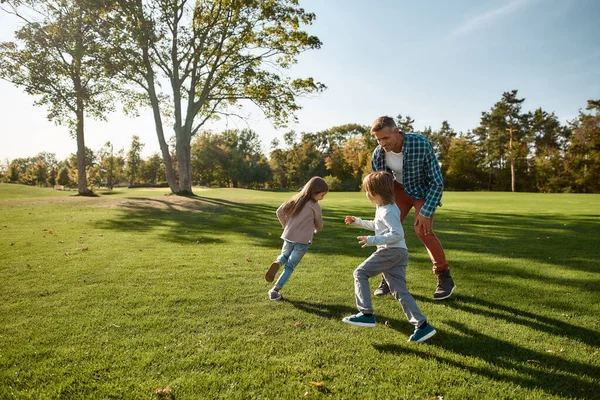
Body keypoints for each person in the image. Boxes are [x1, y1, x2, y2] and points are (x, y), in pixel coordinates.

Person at [342, 171, 436, 343]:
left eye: (367, 191)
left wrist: (373, 240)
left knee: (360, 273)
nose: (366, 194)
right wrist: (357, 221)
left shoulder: (389, 211)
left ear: (375, 193)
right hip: (398, 253)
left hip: (390, 251)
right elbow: (377, 226)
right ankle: (422, 326)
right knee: (399, 291)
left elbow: (397, 234)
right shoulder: (384, 208)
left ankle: (366, 313)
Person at [370, 115, 455, 300]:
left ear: (397, 132)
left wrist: (425, 212)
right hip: (398, 191)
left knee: (422, 230)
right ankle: (387, 277)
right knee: (386, 230)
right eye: (378, 139)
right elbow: (380, 186)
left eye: (385, 138)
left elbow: (437, 182)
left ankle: (444, 275)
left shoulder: (420, 143)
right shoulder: (378, 153)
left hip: (422, 190)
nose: (382, 143)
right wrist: (382, 213)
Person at [264, 176, 329, 301]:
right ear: (314, 192)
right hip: (303, 241)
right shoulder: (314, 206)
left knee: (283, 256)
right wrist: (316, 229)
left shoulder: (295, 199)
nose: (322, 198)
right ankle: (274, 290)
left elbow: (279, 212)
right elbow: (319, 224)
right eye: (322, 195)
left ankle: (277, 263)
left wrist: (286, 227)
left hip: (288, 236)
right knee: (290, 267)